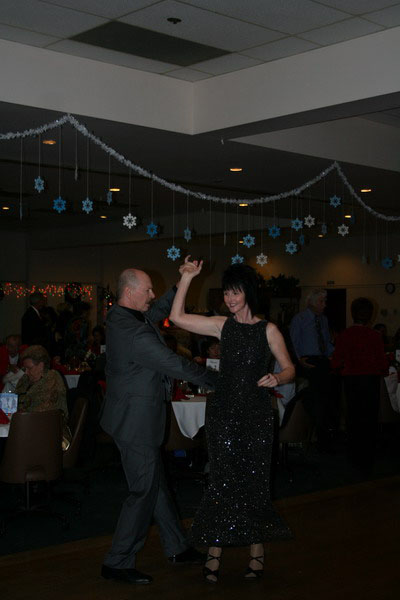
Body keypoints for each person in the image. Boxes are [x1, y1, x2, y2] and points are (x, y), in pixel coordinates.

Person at [170, 259, 294, 583]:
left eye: (235, 292)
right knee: (222, 481)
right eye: (226, 293)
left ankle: (257, 551)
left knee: (254, 482)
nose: (230, 298)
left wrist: (278, 377)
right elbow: (176, 317)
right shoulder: (222, 326)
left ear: (248, 293)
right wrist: (187, 278)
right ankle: (215, 551)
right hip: (223, 413)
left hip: (256, 415)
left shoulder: (268, 330)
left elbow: (290, 368)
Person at [99, 261, 217, 585]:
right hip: (134, 423)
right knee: (143, 491)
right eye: (148, 290)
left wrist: (182, 281)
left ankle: (177, 547)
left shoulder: (126, 316)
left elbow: (159, 310)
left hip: (132, 418)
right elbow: (173, 363)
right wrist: (218, 380)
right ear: (129, 292)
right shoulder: (132, 331)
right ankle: (117, 561)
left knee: (155, 485)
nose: (153, 294)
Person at [331, 298, 389, 475]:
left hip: (351, 382)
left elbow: (335, 363)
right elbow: (383, 365)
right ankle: (367, 458)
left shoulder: (344, 335)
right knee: (369, 419)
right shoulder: (375, 336)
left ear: (353, 314)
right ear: (370, 316)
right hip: (370, 381)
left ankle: (354, 456)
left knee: (353, 418)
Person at [289, 288, 336, 452]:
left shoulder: (323, 320)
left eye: (324, 301)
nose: (324, 305)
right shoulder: (300, 319)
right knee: (314, 400)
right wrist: (299, 360)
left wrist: (332, 355)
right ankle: (312, 437)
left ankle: (325, 438)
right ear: (311, 303)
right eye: (321, 301)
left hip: (323, 361)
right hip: (307, 361)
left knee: (328, 400)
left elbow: (326, 341)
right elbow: (293, 341)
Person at [15, 345, 71, 450]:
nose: (26, 372)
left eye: (29, 368)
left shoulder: (52, 379)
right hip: (28, 429)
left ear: (41, 366)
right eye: (25, 368)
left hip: (51, 437)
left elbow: (46, 414)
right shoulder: (26, 380)